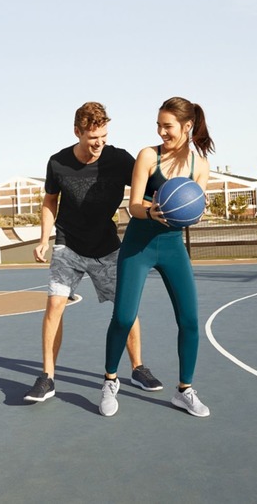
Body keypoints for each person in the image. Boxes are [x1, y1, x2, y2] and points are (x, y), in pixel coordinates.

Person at [24, 101, 163, 402]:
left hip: (106, 246)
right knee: (55, 305)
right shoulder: (58, 163)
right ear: (77, 132)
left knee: (126, 309)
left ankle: (138, 368)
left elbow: (149, 184)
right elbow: (50, 201)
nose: (99, 143)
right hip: (68, 244)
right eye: (93, 137)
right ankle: (47, 377)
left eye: (104, 136)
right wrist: (44, 238)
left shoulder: (119, 159)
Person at [99, 96, 215, 417]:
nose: (162, 132)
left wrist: (198, 210)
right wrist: (151, 211)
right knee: (123, 318)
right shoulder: (149, 156)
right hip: (139, 245)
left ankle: (184, 390)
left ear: (187, 126)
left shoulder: (200, 166)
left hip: (173, 247)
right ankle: (110, 381)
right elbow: (133, 205)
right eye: (159, 126)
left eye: (168, 126)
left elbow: (192, 212)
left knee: (190, 321)